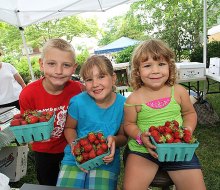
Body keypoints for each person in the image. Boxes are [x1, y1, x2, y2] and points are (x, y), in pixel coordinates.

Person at [123, 39, 206, 190]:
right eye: (147, 66)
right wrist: (140, 136)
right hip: (144, 151)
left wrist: (186, 130)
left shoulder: (179, 91)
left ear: (170, 67)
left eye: (161, 64)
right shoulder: (133, 99)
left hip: (178, 149)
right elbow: (129, 124)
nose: (155, 70)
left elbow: (189, 113)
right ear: (137, 71)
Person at [56, 55, 127, 190]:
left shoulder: (123, 104)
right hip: (75, 159)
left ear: (113, 78)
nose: (95, 84)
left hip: (106, 161)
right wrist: (74, 145)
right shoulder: (78, 102)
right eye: (89, 79)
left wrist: (114, 139)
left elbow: (123, 137)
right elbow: (69, 128)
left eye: (101, 76)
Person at [19, 38, 83, 186]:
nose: (59, 71)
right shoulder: (28, 94)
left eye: (66, 65)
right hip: (44, 151)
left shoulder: (78, 89)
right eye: (51, 63)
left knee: (74, 183)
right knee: (47, 183)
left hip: (72, 145)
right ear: (41, 64)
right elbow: (27, 125)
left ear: (74, 68)